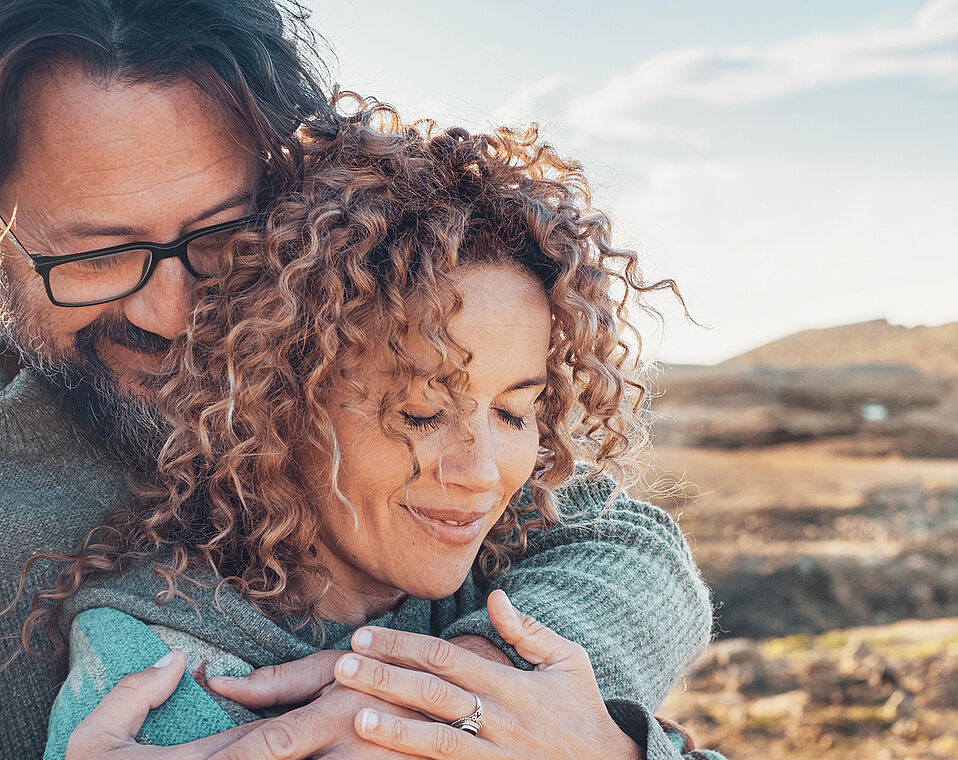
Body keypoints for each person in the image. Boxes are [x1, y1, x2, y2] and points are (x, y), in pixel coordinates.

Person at [0, 1, 711, 758]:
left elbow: (624, 540)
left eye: (221, 235)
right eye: (97, 255)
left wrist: (462, 692)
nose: (177, 314)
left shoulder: (347, 372)